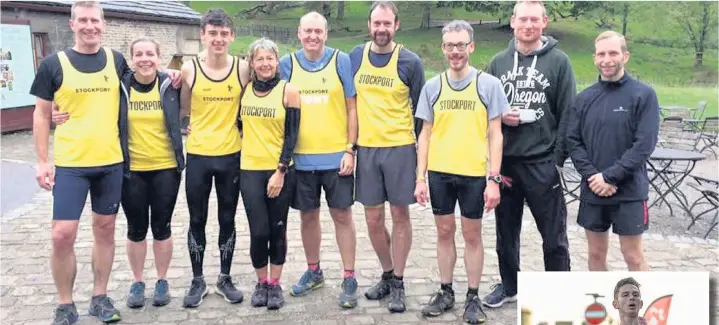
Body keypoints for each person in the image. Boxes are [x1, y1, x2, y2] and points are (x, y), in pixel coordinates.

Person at [30, 2, 178, 323]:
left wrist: (172, 74)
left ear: (103, 24)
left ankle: (100, 296)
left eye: (94, 20)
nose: (89, 26)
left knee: (105, 229)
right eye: (82, 20)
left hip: (112, 162)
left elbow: (145, 75)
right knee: (62, 234)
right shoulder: (53, 64)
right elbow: (41, 114)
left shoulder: (116, 60)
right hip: (71, 164)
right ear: (72, 25)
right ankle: (65, 303)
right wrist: (42, 161)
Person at [51, 37, 186, 309]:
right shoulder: (120, 85)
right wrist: (55, 110)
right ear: (131, 58)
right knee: (136, 229)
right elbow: (86, 97)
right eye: (139, 54)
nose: (145, 59)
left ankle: (162, 280)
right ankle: (137, 281)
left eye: (150, 53)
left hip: (166, 168)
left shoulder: (170, 85)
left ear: (160, 57)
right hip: (131, 169)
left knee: (162, 227)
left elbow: (193, 108)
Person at [482, 0, 575, 309]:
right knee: (506, 232)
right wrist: (500, 115)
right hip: (506, 162)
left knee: (553, 235)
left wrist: (557, 160)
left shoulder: (559, 62)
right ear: (512, 22)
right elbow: (484, 109)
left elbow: (568, 114)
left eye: (534, 20)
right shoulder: (497, 62)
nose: (528, 25)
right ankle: (510, 285)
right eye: (523, 19)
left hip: (542, 162)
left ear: (544, 22)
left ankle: (558, 293)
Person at [414, 20, 508, 324]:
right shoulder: (432, 86)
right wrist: (420, 178)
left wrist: (493, 179)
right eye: (450, 46)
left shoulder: (488, 85)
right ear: (443, 48)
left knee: (472, 235)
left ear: (471, 47)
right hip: (440, 173)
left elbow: (496, 134)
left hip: (473, 175)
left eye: (461, 45)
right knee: (444, 232)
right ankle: (445, 290)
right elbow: (425, 135)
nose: (456, 51)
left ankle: (472, 296)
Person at [278, 12, 360, 308]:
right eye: (307, 31)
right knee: (308, 216)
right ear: (299, 34)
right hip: (301, 160)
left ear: (326, 34)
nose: (313, 36)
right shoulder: (287, 64)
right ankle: (314, 271)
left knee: (342, 216)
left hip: (337, 157)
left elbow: (352, 108)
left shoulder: (341, 61)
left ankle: (349, 276)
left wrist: (351, 149)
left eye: (318, 31)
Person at [350, 1, 426, 313]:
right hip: (367, 149)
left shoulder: (410, 61)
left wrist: (423, 160)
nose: (381, 29)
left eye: (387, 24)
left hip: (399, 149)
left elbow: (423, 115)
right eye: (376, 23)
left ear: (396, 26)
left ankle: (399, 279)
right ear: (369, 26)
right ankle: (385, 272)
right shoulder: (355, 56)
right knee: (372, 218)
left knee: (400, 216)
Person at [566, 31, 659, 272]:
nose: (607, 59)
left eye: (613, 53)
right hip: (593, 189)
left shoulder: (643, 95)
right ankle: (605, 307)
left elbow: (644, 145)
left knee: (633, 257)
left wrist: (610, 177)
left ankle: (645, 307)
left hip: (629, 191)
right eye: (601, 54)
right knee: (595, 255)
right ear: (595, 58)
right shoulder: (584, 98)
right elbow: (573, 142)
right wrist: (593, 177)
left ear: (625, 56)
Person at [179, 8, 250, 307]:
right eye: (212, 33)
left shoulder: (243, 69)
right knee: (197, 219)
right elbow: (183, 112)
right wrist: (185, 127)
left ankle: (224, 276)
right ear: (202, 35)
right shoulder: (189, 69)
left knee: (227, 219)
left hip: (231, 156)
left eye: (224, 34)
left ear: (232, 36)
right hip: (198, 156)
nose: (218, 39)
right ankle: (197, 280)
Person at [240, 37, 301, 311]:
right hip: (249, 169)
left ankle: (275, 284)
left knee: (277, 229)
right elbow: (238, 124)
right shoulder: (246, 90)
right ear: (252, 63)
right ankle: (261, 282)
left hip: (279, 170)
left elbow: (292, 136)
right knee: (258, 230)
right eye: (259, 59)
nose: (265, 63)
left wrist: (281, 170)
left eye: (270, 58)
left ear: (278, 61)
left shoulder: (289, 91)